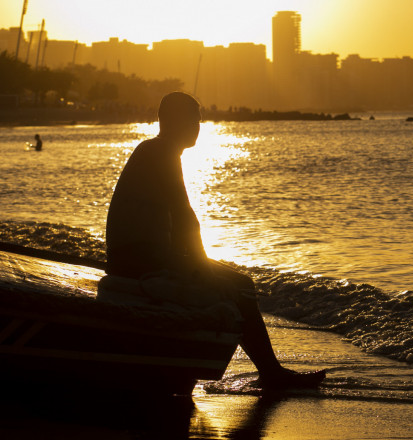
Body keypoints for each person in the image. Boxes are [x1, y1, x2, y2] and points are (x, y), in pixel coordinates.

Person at [106, 92, 325, 390]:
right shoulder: (161, 152)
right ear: (171, 121)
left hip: (141, 254)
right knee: (242, 286)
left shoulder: (156, 150)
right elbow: (185, 217)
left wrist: (198, 262)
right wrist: (203, 269)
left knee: (227, 278)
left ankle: (270, 371)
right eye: (193, 120)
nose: (198, 127)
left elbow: (176, 221)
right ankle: (272, 373)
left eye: (199, 120)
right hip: (140, 258)